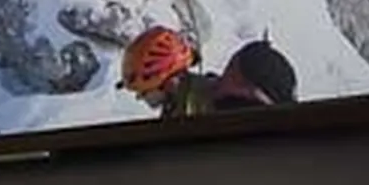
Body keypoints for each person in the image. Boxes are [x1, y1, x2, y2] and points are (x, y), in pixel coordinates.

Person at [120, 27, 297, 120]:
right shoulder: (204, 90)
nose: (142, 98)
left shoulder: (190, 116)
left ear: (169, 83)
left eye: (144, 93)